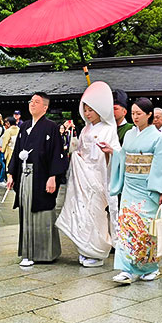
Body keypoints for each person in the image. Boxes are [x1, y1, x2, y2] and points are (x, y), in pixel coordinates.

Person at [104, 97, 162, 284]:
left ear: (149, 115)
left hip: (148, 188)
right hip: (129, 186)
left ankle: (150, 267)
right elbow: (124, 155)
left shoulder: (157, 138)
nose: (135, 117)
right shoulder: (129, 134)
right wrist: (113, 151)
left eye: (139, 114)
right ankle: (126, 269)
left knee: (145, 230)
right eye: (133, 113)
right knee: (126, 227)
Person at [56, 82, 121, 268]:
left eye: (91, 109)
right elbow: (81, 151)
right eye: (85, 109)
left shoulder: (109, 129)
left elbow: (118, 152)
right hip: (83, 177)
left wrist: (109, 152)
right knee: (83, 212)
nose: (87, 113)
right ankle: (85, 248)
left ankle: (98, 250)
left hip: (100, 177)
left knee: (97, 213)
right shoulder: (85, 130)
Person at [7, 92, 68, 267]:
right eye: (31, 101)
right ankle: (28, 252)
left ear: (45, 107)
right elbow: (16, 152)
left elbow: (57, 153)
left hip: (42, 175)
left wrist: (53, 177)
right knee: (26, 211)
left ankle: (46, 253)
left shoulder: (51, 127)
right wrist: (11, 174)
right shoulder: (24, 126)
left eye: (37, 102)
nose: (32, 104)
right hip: (25, 175)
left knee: (42, 212)